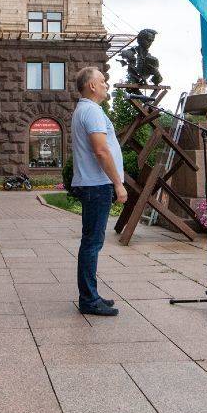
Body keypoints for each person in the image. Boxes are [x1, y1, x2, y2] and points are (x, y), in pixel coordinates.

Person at [69, 66, 126, 316]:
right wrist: (118, 183)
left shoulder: (87, 110)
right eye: (102, 81)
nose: (106, 85)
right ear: (91, 85)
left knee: (91, 242)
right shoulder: (91, 112)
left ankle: (91, 295)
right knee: (92, 243)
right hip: (97, 185)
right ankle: (89, 300)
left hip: (92, 184)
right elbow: (101, 151)